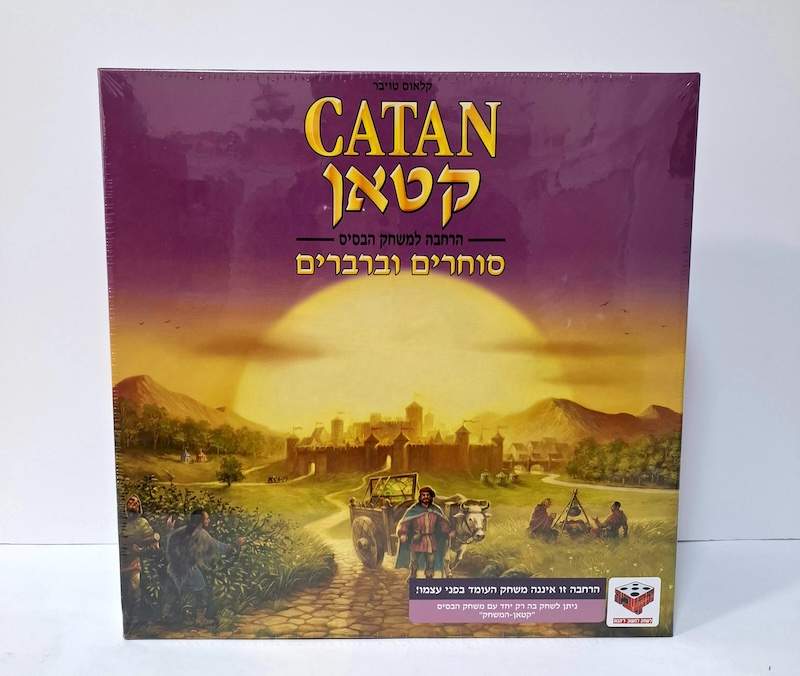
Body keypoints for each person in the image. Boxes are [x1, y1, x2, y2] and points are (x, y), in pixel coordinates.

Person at [165, 508, 244, 624]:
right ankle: (199, 619)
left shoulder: (183, 530)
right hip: (187, 569)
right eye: (207, 518)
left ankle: (174, 616)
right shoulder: (202, 534)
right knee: (201, 590)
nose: (209, 520)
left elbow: (171, 540)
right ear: (200, 520)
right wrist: (235, 544)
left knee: (180, 591)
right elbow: (219, 547)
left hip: (174, 568)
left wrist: (170, 530)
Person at [120, 495, 160, 630]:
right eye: (131, 500)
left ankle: (134, 621)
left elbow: (153, 543)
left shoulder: (142, 523)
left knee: (135, 590)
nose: (134, 503)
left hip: (134, 562)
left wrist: (142, 549)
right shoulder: (121, 522)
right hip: (120, 561)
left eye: (137, 502)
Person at [395, 486, 450, 581]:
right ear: (420, 497)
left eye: (427, 495)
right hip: (417, 539)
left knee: (431, 561)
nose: (425, 497)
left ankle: (429, 578)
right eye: (423, 495)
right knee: (414, 561)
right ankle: (412, 576)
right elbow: (405, 523)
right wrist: (403, 533)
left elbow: (443, 522)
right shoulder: (414, 509)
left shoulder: (436, 509)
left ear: (431, 497)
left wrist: (448, 531)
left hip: (431, 540)